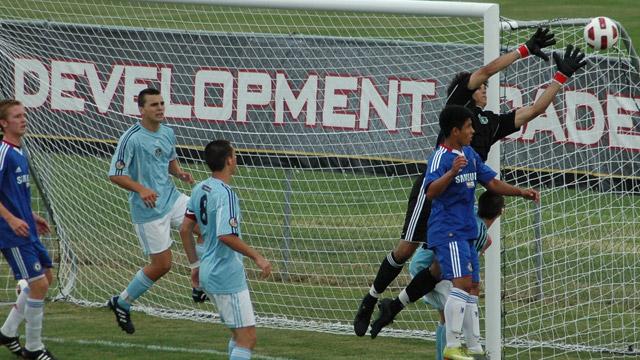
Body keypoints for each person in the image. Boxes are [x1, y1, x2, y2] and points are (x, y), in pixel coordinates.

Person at [353, 27, 582, 337]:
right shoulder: (456, 105)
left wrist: (561, 76)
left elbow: (536, 109)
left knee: (440, 268)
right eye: (482, 86)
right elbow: (486, 69)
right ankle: (371, 299)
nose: (486, 88)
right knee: (406, 249)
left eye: (486, 86)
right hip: (435, 188)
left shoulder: (490, 122)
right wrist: (524, 50)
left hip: (462, 197)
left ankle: (395, 307)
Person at [107, 88, 195, 334]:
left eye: (162, 103)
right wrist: (141, 189)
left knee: (205, 224)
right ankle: (123, 302)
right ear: (142, 109)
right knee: (162, 265)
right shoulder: (131, 138)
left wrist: (178, 172)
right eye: (154, 104)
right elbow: (115, 174)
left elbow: (168, 159)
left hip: (172, 198)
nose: (160, 108)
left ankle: (198, 279)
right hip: (149, 210)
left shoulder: (168, 131)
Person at [180, 139, 272, 360]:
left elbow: (185, 229)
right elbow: (226, 235)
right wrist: (257, 257)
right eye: (235, 154)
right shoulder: (226, 193)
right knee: (247, 338)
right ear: (229, 160)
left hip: (208, 269)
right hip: (225, 272)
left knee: (239, 334)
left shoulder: (199, 188)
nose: (237, 159)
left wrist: (195, 266)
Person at [407, 191, 504, 360]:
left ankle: (450, 353)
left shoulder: (470, 212)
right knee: (455, 309)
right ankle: (460, 351)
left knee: (447, 315)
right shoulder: (479, 232)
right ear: (501, 211)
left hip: (422, 263)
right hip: (428, 269)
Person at [0, 99, 56, 359]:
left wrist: (30, 216)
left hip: (26, 229)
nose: (23, 119)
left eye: (24, 115)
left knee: (47, 277)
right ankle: (34, 348)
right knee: (38, 285)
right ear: (3, 123)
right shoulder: (3, 152)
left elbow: (14, 194)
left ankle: (8, 332)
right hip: (12, 233)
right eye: (16, 116)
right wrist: (11, 219)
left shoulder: (20, 152)